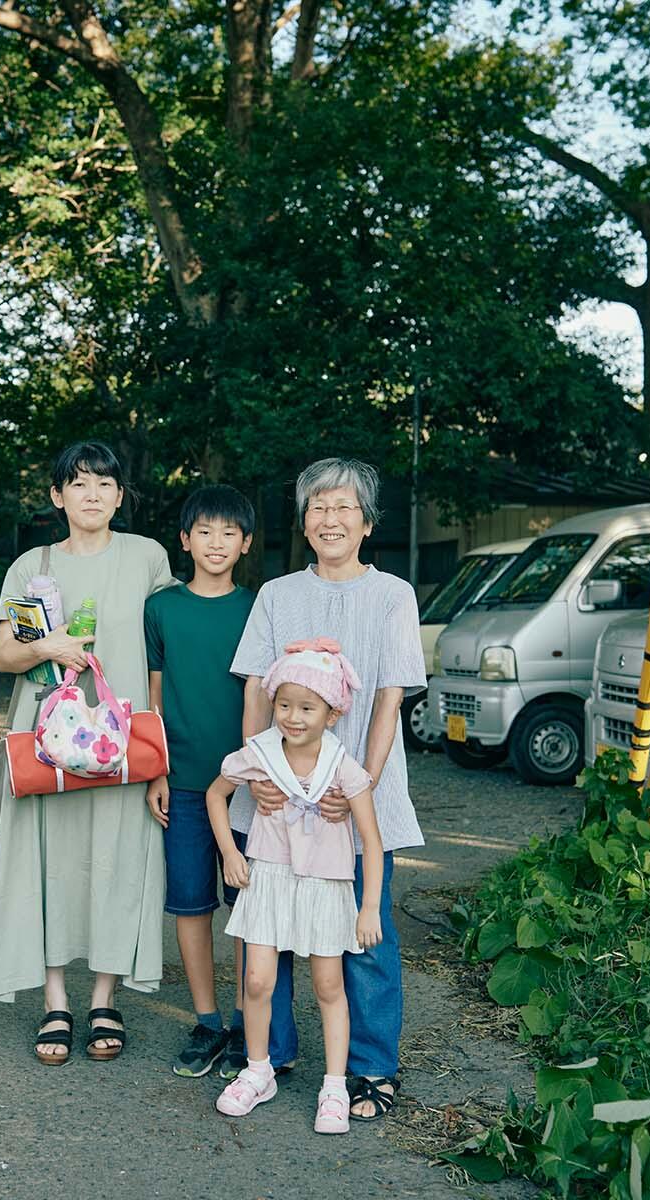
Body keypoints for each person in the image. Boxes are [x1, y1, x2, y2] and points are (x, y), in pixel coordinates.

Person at [228, 457, 426, 1121]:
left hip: (358, 792)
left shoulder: (394, 594)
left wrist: (358, 783)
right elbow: (256, 688)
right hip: (277, 792)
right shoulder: (277, 595)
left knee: (365, 933)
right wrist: (255, 774)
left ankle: (371, 1067)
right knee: (270, 926)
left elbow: (389, 697)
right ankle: (270, 1055)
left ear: (367, 522)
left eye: (344, 507)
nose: (330, 518)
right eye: (318, 507)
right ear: (305, 522)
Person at [0, 441, 176, 1067]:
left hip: (121, 740)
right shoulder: (30, 566)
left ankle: (104, 998)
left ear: (121, 496)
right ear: (57, 495)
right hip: (48, 737)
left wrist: (165, 756)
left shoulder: (147, 557)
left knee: (117, 857)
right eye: (79, 483)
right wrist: (51, 647)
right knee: (50, 861)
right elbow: (3, 656)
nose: (92, 494)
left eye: (104, 484)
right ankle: (56, 1001)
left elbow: (166, 650)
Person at [205, 639, 383, 1134]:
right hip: (269, 877)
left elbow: (370, 836)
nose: (293, 717)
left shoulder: (342, 766)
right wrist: (231, 853)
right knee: (257, 979)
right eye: (283, 705)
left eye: (307, 707)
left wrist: (369, 907)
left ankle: (333, 1086)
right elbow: (215, 796)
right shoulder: (260, 755)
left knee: (329, 985)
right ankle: (259, 1071)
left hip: (326, 884)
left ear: (332, 713)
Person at [144, 484, 257, 1077]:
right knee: (192, 904)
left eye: (229, 533)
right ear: (184, 540)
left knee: (245, 905)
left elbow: (264, 695)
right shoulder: (162, 608)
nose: (217, 543)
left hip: (245, 786)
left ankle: (246, 1023)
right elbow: (156, 695)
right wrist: (156, 771)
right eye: (204, 532)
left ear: (245, 543)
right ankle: (207, 1021)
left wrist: (255, 771)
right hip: (182, 782)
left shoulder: (257, 607)